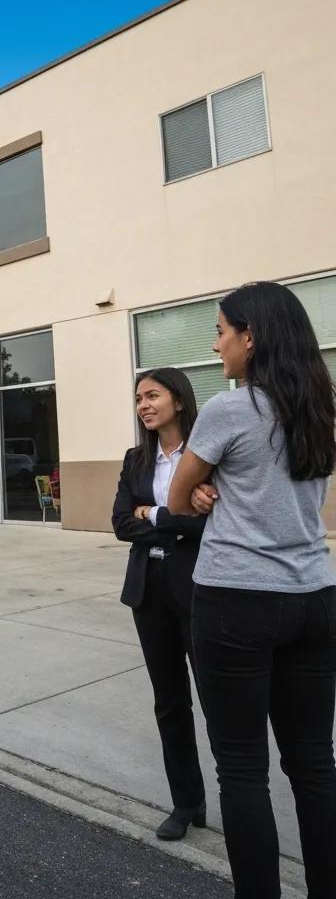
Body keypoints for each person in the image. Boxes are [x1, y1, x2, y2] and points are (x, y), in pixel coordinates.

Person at [168, 281, 336, 899]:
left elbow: (178, 497)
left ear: (251, 337)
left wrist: (208, 491)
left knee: (243, 772)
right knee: (316, 767)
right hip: (316, 596)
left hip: (236, 600)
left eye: (219, 331)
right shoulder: (320, 406)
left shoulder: (228, 409)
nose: (215, 346)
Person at [112, 368, 208, 841]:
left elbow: (209, 526)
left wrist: (149, 514)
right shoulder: (136, 459)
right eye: (138, 398)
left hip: (198, 589)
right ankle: (186, 801)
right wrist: (175, 516)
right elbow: (118, 523)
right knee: (169, 701)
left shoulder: (208, 456)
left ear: (179, 400)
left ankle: (235, 798)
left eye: (152, 395)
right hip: (148, 591)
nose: (143, 405)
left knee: (216, 702)